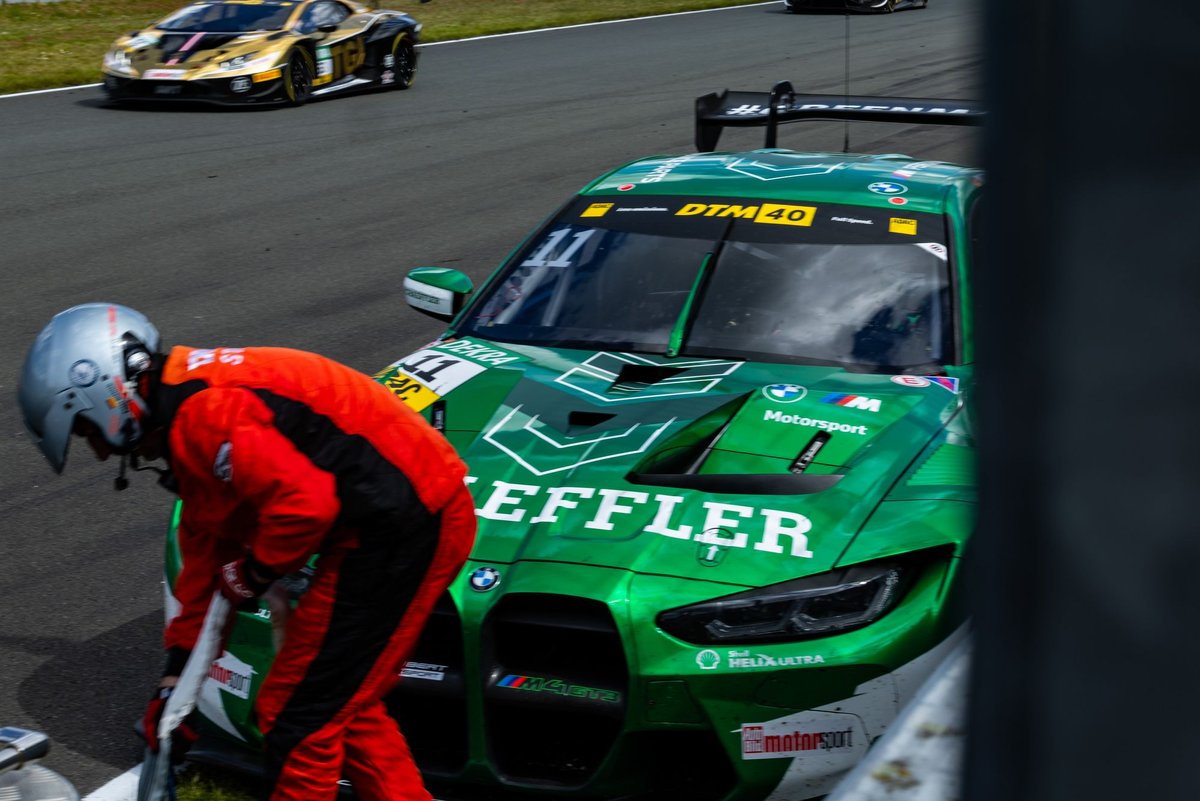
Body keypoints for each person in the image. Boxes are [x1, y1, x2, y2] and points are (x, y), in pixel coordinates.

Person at [17, 302, 476, 801]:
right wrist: (175, 678)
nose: (100, 452)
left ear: (107, 389)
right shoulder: (184, 411)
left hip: (406, 522)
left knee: (299, 719)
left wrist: (251, 574)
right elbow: (206, 556)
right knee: (337, 702)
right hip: (395, 518)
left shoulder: (205, 414)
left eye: (86, 429)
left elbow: (306, 508)